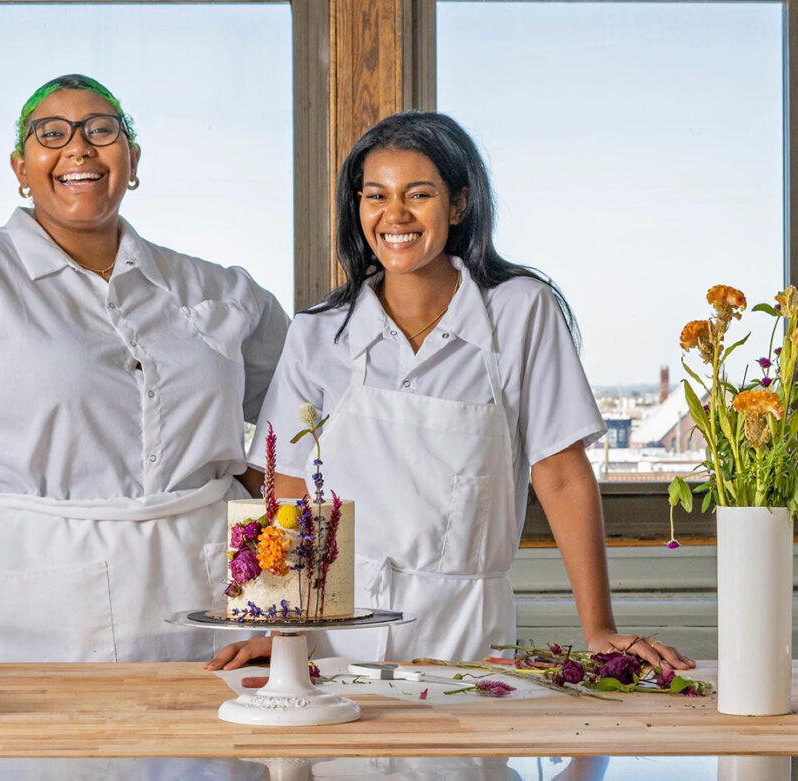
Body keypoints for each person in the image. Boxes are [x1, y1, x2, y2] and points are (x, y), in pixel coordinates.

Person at [208, 111, 693, 672]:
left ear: (459, 204)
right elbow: (287, 488)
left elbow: (559, 473)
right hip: (334, 635)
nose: (395, 215)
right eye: (376, 195)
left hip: (468, 634)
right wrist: (279, 627)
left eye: (418, 194)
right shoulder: (318, 331)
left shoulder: (519, 311)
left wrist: (599, 628)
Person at [0, 74, 288, 663]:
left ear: (132, 160)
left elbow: (290, 446)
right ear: (20, 169)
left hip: (203, 587)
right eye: (50, 133)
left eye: (102, 130)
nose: (78, 147)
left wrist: (286, 608)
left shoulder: (222, 289)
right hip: (30, 591)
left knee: (210, 753)